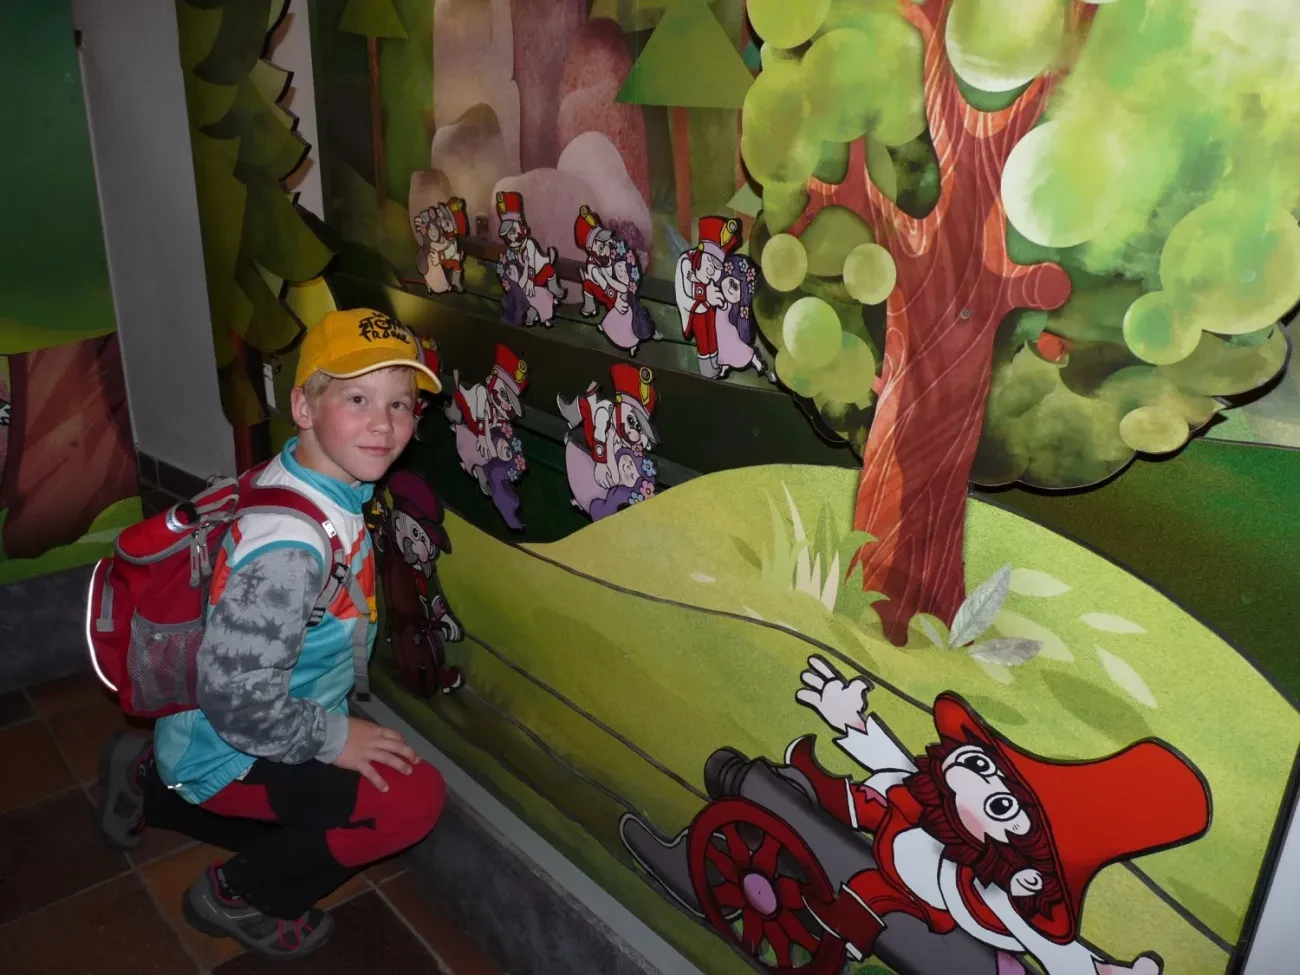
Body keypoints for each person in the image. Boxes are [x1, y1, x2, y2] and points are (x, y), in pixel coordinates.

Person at [95, 308, 448, 961]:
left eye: (400, 403)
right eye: (358, 398)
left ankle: (150, 779)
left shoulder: (307, 477)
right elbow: (239, 702)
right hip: (231, 740)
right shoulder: (288, 548)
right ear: (304, 407)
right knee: (409, 801)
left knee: (320, 805)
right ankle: (239, 895)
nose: (384, 422)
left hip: (224, 724)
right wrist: (335, 738)